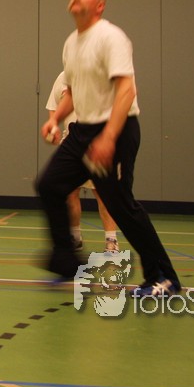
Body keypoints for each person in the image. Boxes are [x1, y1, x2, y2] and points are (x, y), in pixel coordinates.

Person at [36, 0, 181, 297]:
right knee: (49, 184)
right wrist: (54, 119)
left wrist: (109, 137)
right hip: (83, 131)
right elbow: (73, 93)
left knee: (121, 206)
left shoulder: (111, 37)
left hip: (116, 128)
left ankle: (163, 277)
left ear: (100, 6)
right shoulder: (71, 43)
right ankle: (66, 262)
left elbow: (127, 90)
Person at [45, 71, 119, 254]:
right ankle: (75, 237)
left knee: (103, 192)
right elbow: (54, 107)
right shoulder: (62, 77)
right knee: (69, 193)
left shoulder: (100, 75)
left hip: (97, 142)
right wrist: (53, 123)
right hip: (71, 143)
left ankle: (111, 240)